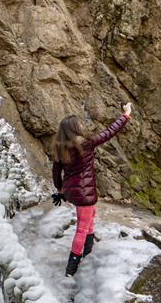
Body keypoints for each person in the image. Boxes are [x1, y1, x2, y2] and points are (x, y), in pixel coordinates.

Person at [51, 103, 133, 277]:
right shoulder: (85, 144)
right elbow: (109, 132)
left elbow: (56, 172)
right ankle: (71, 268)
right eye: (78, 124)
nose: (81, 125)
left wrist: (59, 190)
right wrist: (125, 115)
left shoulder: (60, 148)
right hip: (85, 193)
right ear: (75, 128)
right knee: (82, 227)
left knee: (89, 217)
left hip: (73, 192)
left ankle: (88, 250)